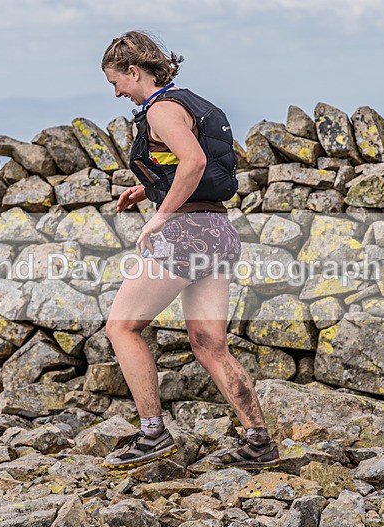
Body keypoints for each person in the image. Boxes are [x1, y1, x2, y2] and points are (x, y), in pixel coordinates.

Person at [100, 31, 280, 471]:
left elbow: (194, 162)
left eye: (116, 82)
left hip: (186, 234)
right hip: (217, 229)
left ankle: (152, 434)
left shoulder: (160, 109)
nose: (117, 92)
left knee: (121, 327)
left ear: (134, 71)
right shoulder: (189, 102)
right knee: (209, 344)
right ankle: (259, 441)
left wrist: (160, 216)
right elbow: (199, 168)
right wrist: (148, 190)